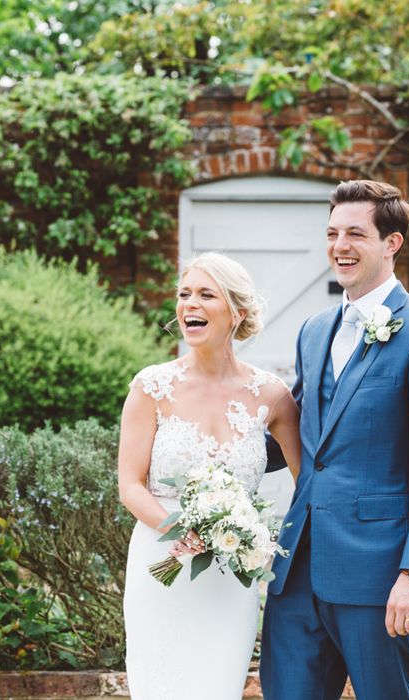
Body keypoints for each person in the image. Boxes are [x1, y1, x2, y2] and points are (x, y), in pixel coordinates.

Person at [260, 180, 409, 700]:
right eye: (332, 233)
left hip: (379, 577)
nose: (339, 245)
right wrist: (205, 452)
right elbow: (301, 436)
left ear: (391, 243)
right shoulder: (313, 329)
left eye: (355, 233)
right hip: (298, 569)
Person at [118, 252, 301, 699]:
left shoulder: (273, 396)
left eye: (205, 294)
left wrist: (267, 544)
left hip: (231, 572)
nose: (188, 305)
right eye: (184, 295)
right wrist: (179, 528)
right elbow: (130, 485)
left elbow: (310, 485)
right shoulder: (151, 387)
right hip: (160, 561)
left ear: (236, 312)